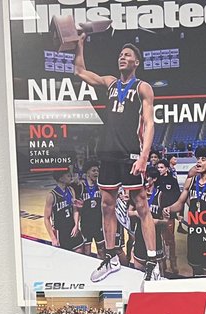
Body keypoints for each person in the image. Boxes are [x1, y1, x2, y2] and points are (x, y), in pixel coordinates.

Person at [73, 37, 162, 282]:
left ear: (136, 62)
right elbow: (79, 70)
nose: (122, 57)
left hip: (131, 154)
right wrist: (80, 44)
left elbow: (150, 123)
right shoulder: (110, 83)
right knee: (106, 205)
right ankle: (111, 257)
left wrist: (144, 156)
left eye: (127, 55)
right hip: (108, 154)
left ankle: (153, 263)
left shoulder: (142, 87)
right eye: (120, 55)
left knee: (142, 205)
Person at [163, 146, 206, 277]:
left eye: (203, 159)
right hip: (193, 234)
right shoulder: (190, 182)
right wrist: (169, 208)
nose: (198, 162)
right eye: (198, 159)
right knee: (195, 271)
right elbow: (180, 203)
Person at [44, 169, 83, 252]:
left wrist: (76, 225)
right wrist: (53, 238)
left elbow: (75, 210)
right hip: (61, 232)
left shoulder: (71, 190)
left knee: (80, 255)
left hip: (73, 229)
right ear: (61, 178)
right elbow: (46, 219)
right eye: (68, 175)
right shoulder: (52, 195)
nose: (70, 176)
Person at [76, 161, 105, 257]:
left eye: (97, 171)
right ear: (87, 172)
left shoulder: (100, 187)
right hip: (86, 224)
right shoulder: (80, 187)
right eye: (93, 170)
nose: (96, 173)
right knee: (87, 252)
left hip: (98, 223)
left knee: (101, 251)